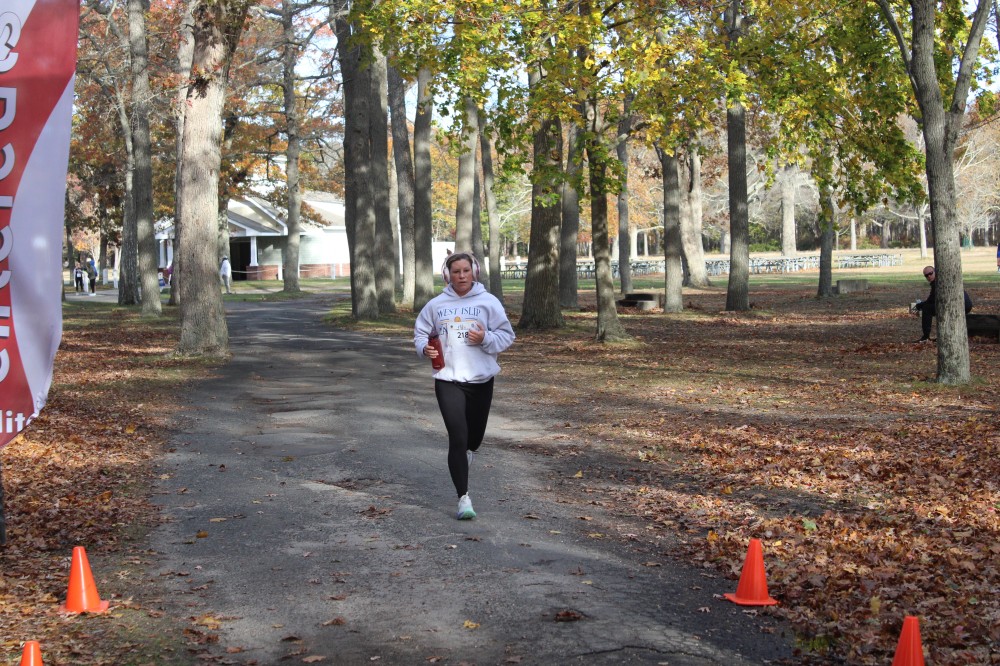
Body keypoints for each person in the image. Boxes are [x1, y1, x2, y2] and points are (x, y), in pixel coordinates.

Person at [413, 252, 515, 520]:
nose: (461, 276)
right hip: (448, 379)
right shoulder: (436, 305)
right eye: (456, 271)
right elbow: (421, 333)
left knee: (473, 439)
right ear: (447, 275)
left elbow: (506, 336)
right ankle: (463, 498)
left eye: (465, 271)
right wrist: (424, 348)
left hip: (481, 380)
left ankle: (468, 452)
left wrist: (485, 338)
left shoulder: (488, 302)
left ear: (474, 272)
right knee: (457, 437)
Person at [913, 265, 973, 342]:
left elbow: (931, 300)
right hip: (962, 304)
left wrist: (921, 305)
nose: (929, 276)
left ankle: (926, 337)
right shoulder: (941, 279)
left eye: (930, 273)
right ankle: (942, 336)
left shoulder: (938, 282)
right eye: (926, 275)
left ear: (935, 271)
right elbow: (934, 300)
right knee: (931, 307)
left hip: (962, 305)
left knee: (927, 309)